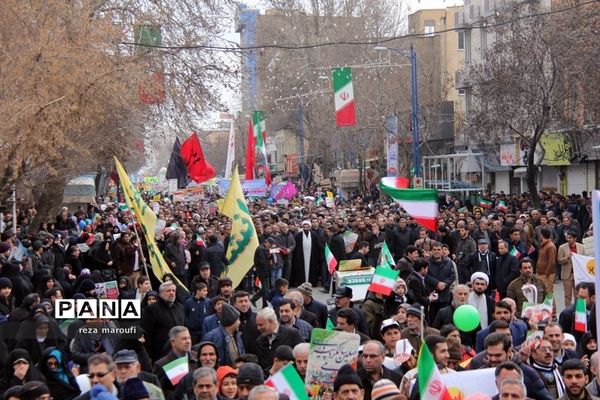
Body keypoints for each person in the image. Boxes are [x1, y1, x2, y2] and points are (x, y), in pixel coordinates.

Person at [481, 333, 553, 400]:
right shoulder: (480, 373)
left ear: (509, 351)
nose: (493, 359)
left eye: (498, 355)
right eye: (490, 355)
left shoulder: (528, 374)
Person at [141, 281, 185, 362]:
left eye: (173, 290)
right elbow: (147, 334)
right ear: (161, 294)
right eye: (168, 291)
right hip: (160, 355)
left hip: (179, 353)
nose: (171, 293)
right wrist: (148, 356)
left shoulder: (180, 308)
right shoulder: (152, 309)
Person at [153, 326, 197, 400]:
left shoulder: (198, 357)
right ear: (173, 342)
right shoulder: (161, 365)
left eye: (189, 338)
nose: (188, 341)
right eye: (184, 339)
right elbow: (156, 392)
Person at [255, 307, 302, 373]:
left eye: (261, 325)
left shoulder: (292, 334)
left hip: (291, 377)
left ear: (271, 321)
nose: (258, 328)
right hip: (270, 379)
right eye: (257, 325)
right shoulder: (260, 341)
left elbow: (302, 357)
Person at [203, 303, 245, 367]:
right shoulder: (212, 337)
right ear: (232, 321)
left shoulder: (237, 335)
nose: (239, 322)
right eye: (238, 320)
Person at [426, 242, 456, 321]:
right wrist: (436, 283)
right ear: (431, 250)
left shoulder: (448, 262)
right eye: (434, 249)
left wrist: (445, 284)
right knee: (433, 318)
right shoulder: (426, 262)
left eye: (438, 249)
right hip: (432, 295)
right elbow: (425, 275)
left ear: (442, 250)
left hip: (445, 296)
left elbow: (452, 276)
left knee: (445, 319)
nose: (436, 251)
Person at [557, 230, 585, 307]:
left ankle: (578, 312)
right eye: (567, 237)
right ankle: (568, 313)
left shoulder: (582, 247)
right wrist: (567, 258)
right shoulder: (562, 247)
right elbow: (559, 260)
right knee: (568, 296)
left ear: (575, 238)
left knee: (578, 295)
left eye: (570, 238)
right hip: (567, 275)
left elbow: (584, 259)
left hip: (578, 275)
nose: (568, 239)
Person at [291, 220, 322, 287]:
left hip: (312, 255)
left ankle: (311, 282)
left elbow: (317, 246)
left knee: (312, 269)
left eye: (307, 227)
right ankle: (301, 283)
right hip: (301, 256)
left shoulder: (314, 235)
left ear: (309, 227)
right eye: (304, 227)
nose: (305, 228)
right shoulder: (298, 235)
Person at [232, 290, 260, 355]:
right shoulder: (232, 320)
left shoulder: (257, 317)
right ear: (235, 304)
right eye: (240, 302)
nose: (244, 304)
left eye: (246, 301)